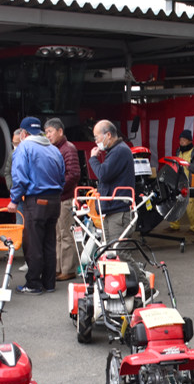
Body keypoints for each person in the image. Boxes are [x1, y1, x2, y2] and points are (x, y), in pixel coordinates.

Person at [7, 116, 65, 295]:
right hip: (55, 200)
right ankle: (49, 283)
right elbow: (62, 176)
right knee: (49, 242)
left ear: (23, 133)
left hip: (36, 201)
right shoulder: (53, 149)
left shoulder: (24, 147)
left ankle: (33, 283)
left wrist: (14, 199)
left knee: (33, 243)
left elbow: (20, 177)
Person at [88, 119, 135, 247]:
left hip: (118, 211)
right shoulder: (116, 150)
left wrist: (93, 159)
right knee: (109, 253)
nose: (96, 141)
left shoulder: (119, 151)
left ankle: (135, 269)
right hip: (112, 210)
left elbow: (103, 174)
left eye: (97, 137)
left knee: (119, 253)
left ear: (108, 135)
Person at [44, 118, 81, 281]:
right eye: (46, 132)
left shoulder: (68, 148)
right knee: (57, 234)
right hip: (57, 198)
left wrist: (56, 189)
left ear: (60, 131)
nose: (48, 135)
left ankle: (68, 269)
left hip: (65, 198)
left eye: (50, 131)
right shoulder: (54, 149)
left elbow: (73, 175)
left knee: (65, 234)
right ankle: (59, 268)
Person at [168, 129, 194, 234]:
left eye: (184, 140)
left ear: (190, 141)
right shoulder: (178, 151)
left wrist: (189, 165)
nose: (181, 142)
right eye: (180, 140)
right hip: (178, 183)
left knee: (191, 207)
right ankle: (174, 226)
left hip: (190, 183)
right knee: (175, 204)